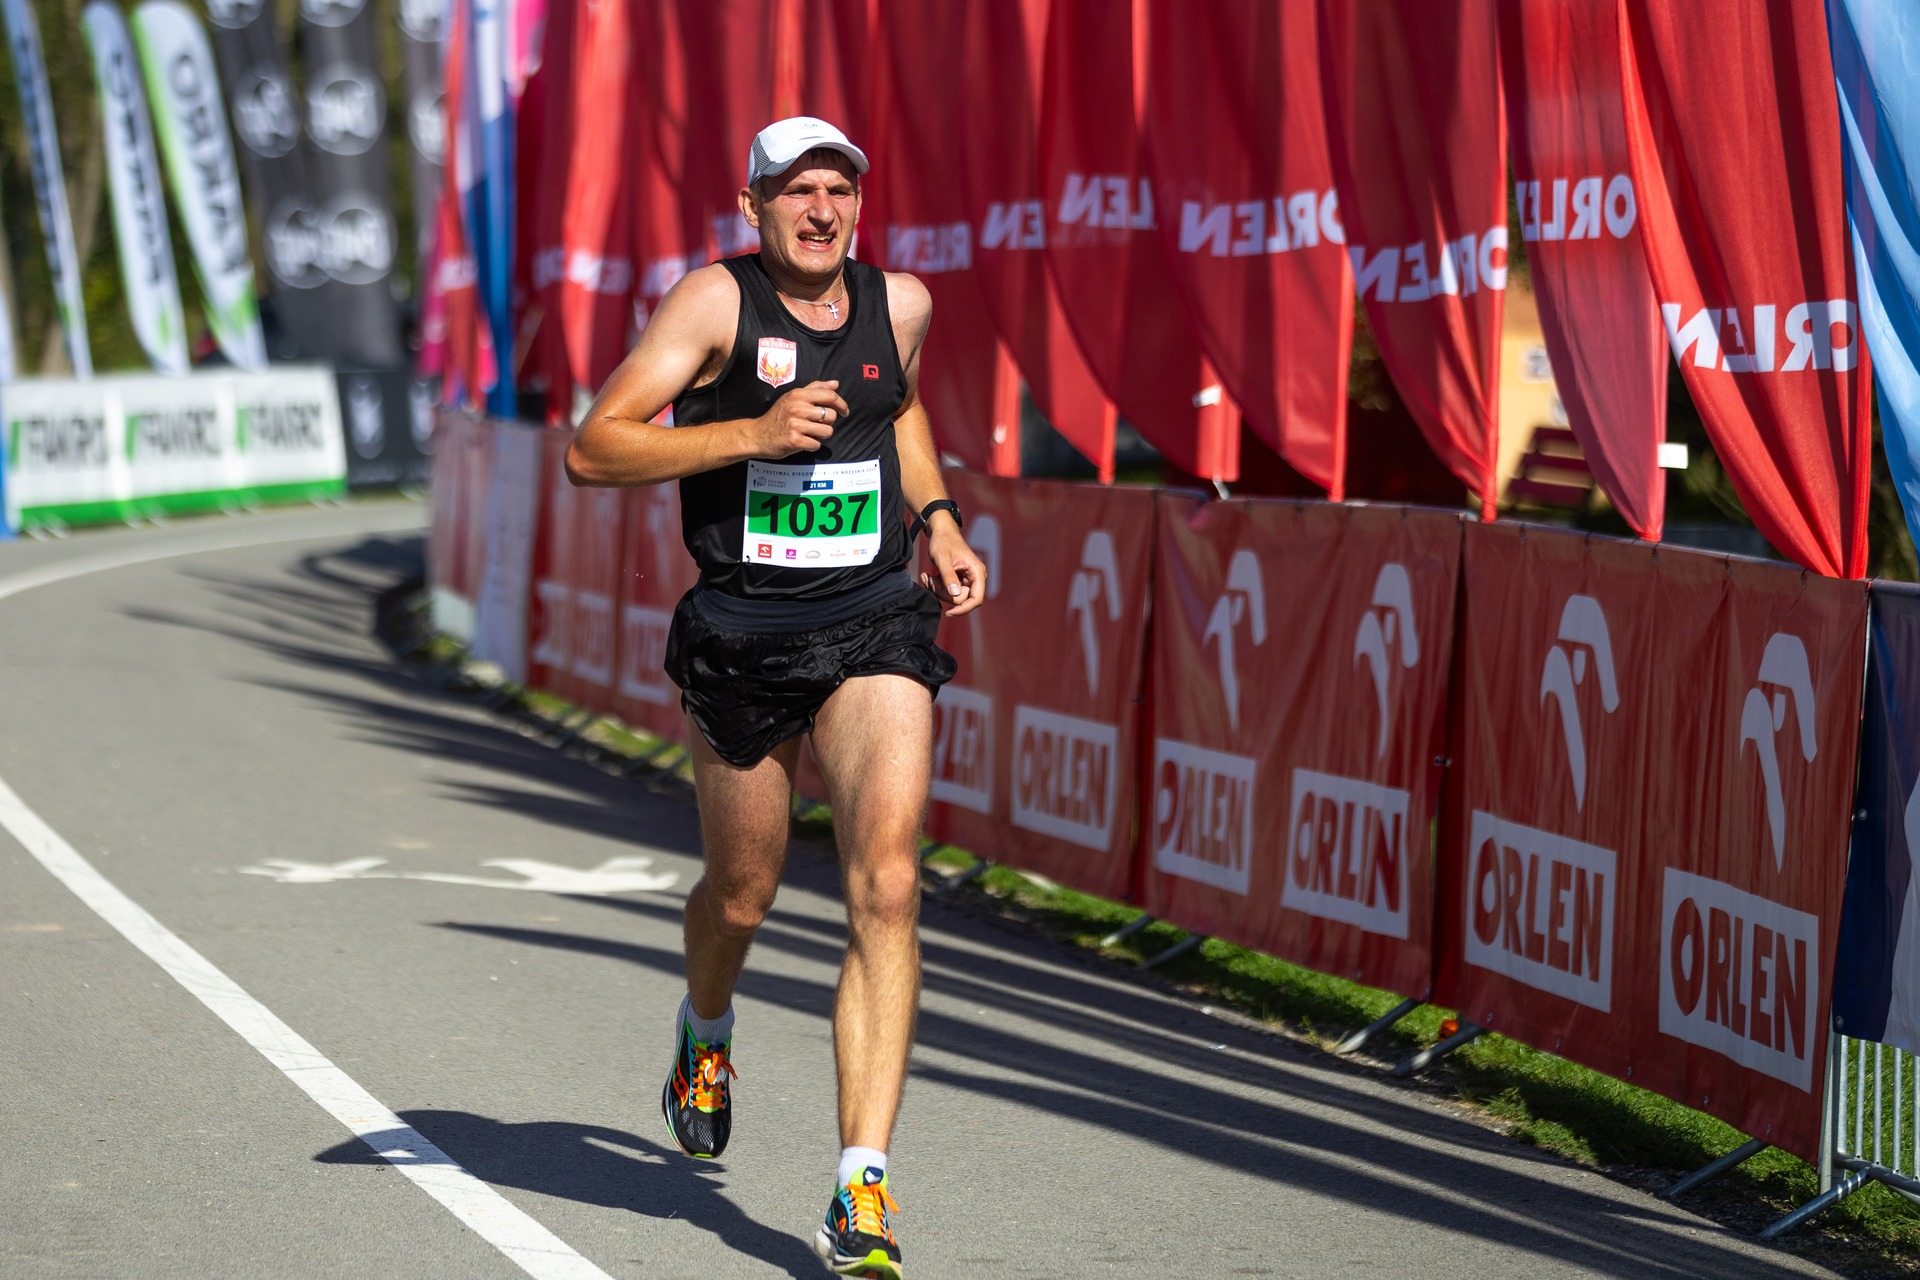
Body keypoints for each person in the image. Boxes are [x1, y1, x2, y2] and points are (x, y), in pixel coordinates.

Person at [565, 116, 986, 1280]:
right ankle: (705, 1028)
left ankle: (862, 1186)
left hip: (874, 619)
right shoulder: (714, 304)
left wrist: (940, 519)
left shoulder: (900, 303)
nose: (821, 209)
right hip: (743, 637)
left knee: (886, 883)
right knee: (743, 896)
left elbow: (898, 406)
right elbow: (594, 448)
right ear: (753, 205)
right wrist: (748, 431)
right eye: (796, 190)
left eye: (839, 189)